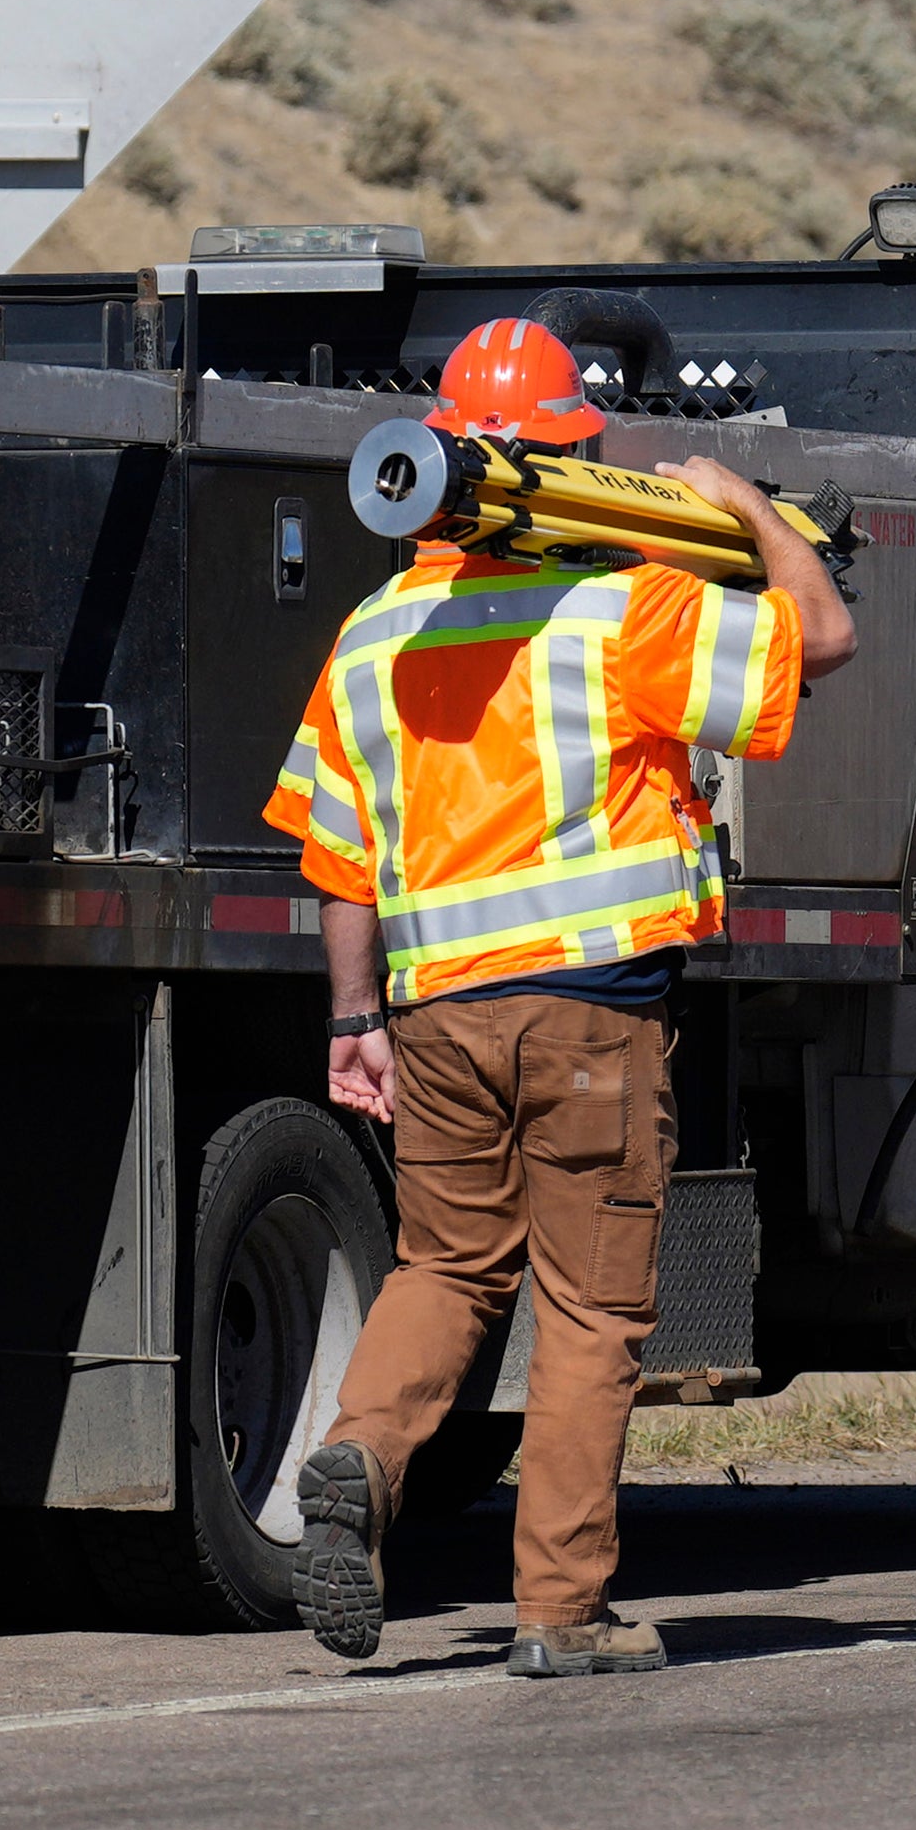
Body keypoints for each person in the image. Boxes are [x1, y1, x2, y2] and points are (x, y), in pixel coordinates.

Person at [274, 317, 854, 1678]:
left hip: (432, 1013)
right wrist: (746, 508)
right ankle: (561, 1609)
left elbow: (338, 856)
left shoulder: (374, 631)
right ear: (579, 462)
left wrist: (353, 1023)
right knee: (590, 1310)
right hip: (590, 1008)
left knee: (444, 1266)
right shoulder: (622, 605)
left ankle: (359, 1454)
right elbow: (819, 635)